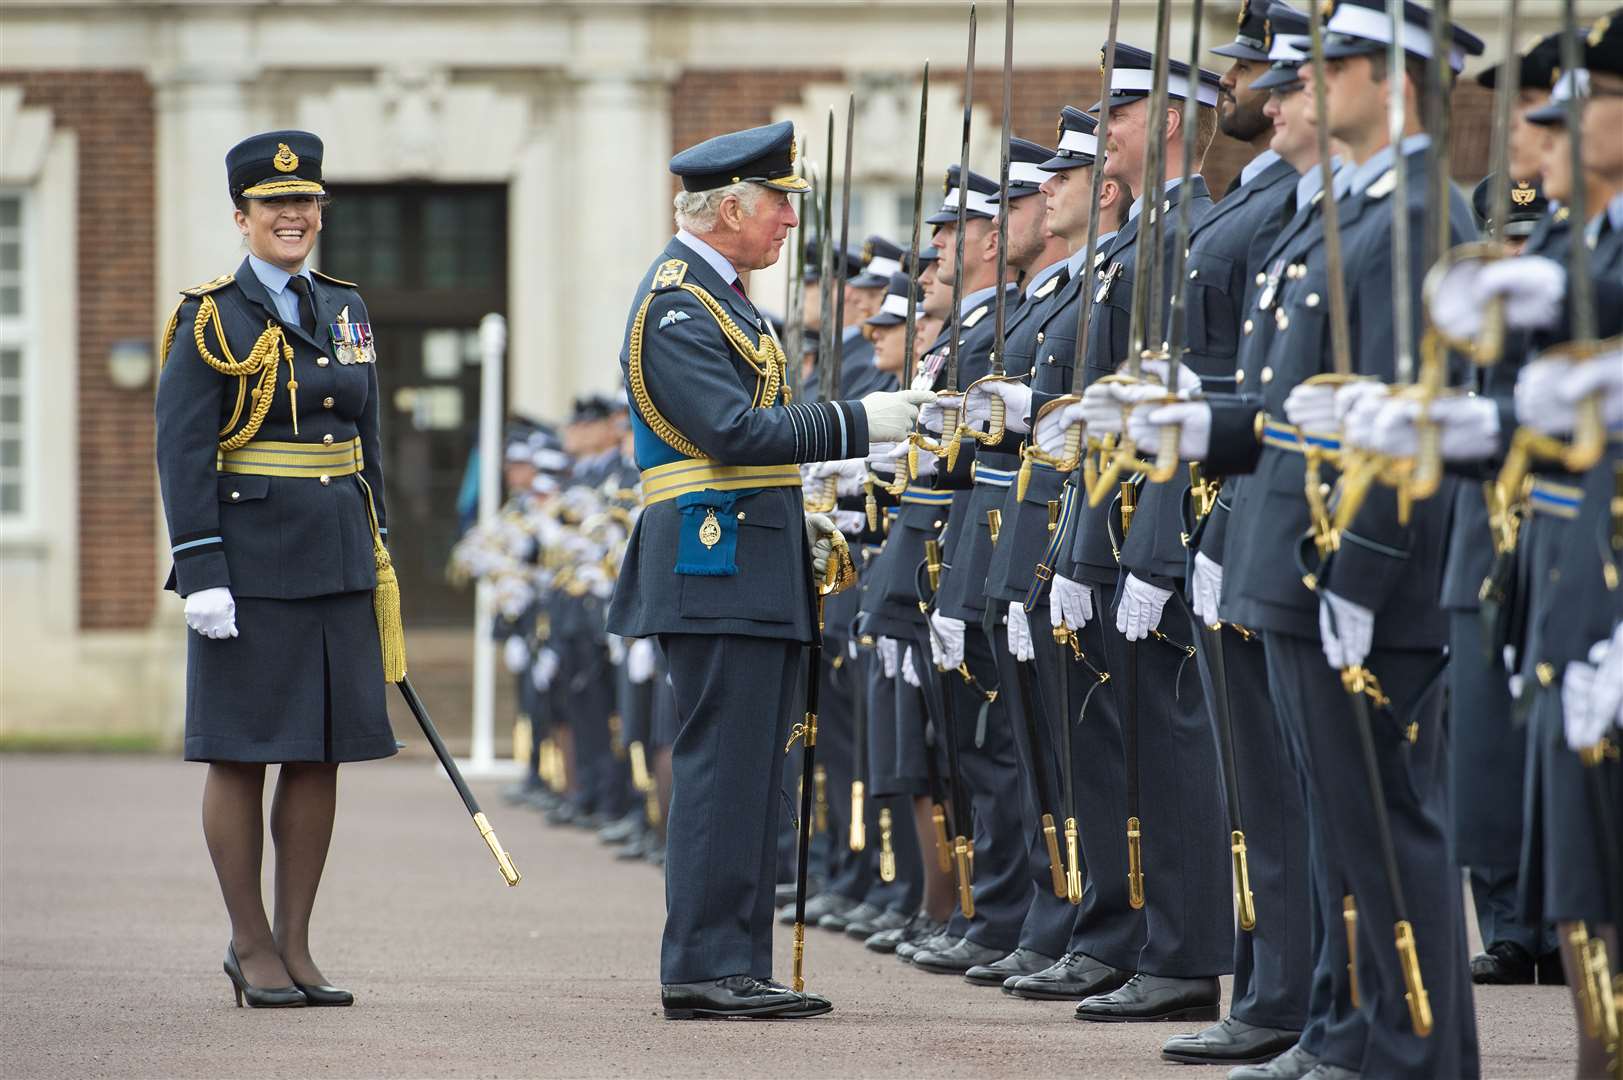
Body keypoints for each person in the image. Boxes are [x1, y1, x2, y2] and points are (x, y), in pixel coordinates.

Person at [604, 119, 931, 1021]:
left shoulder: (723, 297)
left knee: (757, 770)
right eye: (780, 204)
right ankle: (705, 964)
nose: (790, 221)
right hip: (718, 560)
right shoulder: (678, 303)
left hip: (748, 555)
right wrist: (868, 423)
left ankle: (733, 961)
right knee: (724, 766)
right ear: (731, 207)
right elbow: (734, 433)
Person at [155, 129, 396, 1009]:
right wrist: (200, 565)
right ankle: (248, 941)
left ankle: (295, 943)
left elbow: (367, 439)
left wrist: (381, 546)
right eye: (273, 205)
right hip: (248, 565)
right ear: (242, 216)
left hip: (334, 556)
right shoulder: (210, 316)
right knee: (242, 752)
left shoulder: (343, 305)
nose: (292, 217)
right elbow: (181, 450)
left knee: (318, 755)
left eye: (305, 204)